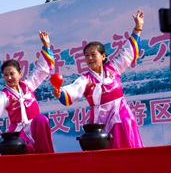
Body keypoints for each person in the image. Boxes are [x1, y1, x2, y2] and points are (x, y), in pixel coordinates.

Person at [54, 10, 145, 149]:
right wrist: (60, 92)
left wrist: (138, 28)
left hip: (120, 112)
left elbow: (128, 52)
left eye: (93, 54)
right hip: (100, 120)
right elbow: (73, 89)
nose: (89, 58)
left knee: (125, 127)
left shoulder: (114, 67)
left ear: (103, 56)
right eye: (86, 55)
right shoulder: (86, 79)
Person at [0, 31, 56, 154]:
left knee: (41, 119)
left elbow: (41, 70)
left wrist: (46, 46)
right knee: (22, 147)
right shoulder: (4, 95)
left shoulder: (28, 85)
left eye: (12, 74)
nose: (9, 77)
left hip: (34, 127)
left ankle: (47, 158)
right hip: (18, 131)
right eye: (5, 75)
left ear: (19, 73)